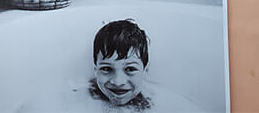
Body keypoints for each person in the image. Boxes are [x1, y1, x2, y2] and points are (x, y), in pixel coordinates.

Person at [16, 19, 206, 112]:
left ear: (145, 71)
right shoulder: (73, 98)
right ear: (95, 69)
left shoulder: (164, 103)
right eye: (106, 69)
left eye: (130, 69)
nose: (118, 81)